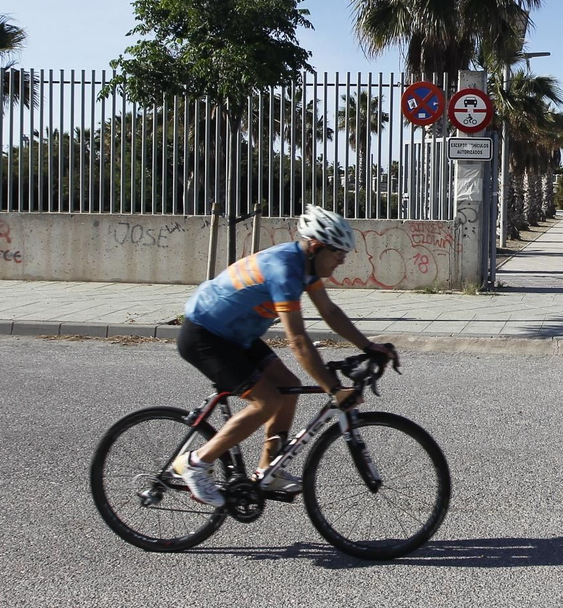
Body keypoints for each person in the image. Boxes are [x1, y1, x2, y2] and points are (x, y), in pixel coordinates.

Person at [170, 204, 399, 506]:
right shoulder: (285, 270)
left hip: (238, 335)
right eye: (339, 254)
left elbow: (329, 311)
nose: (341, 262)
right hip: (205, 334)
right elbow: (299, 342)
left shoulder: (305, 266)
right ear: (317, 247)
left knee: (288, 388)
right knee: (267, 401)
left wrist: (368, 346)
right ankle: (196, 463)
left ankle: (268, 469)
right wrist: (333, 388)